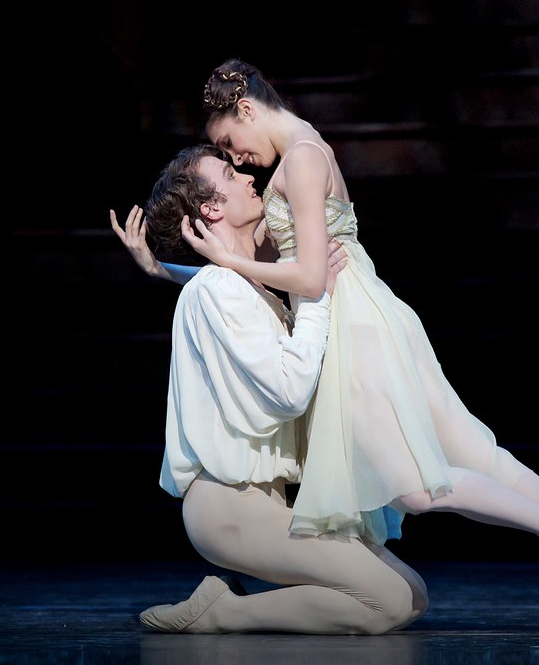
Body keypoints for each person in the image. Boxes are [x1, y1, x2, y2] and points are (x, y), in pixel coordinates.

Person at [180, 58, 539, 633]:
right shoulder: (303, 153)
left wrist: (229, 258)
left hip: (353, 328)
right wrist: (174, 269)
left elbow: (311, 277)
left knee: (415, 487)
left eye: (228, 141)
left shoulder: (303, 159)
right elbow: (259, 276)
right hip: (376, 316)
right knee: (478, 453)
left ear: (246, 110)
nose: (234, 155)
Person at [112, 143, 428, 635]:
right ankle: (223, 613)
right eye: (228, 172)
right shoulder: (215, 290)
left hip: (266, 501)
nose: (246, 176)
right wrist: (315, 294)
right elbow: (289, 391)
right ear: (211, 208)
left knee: (411, 596)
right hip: (229, 506)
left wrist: (160, 269)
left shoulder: (236, 286)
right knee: (386, 602)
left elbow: (231, 288)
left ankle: (235, 607)